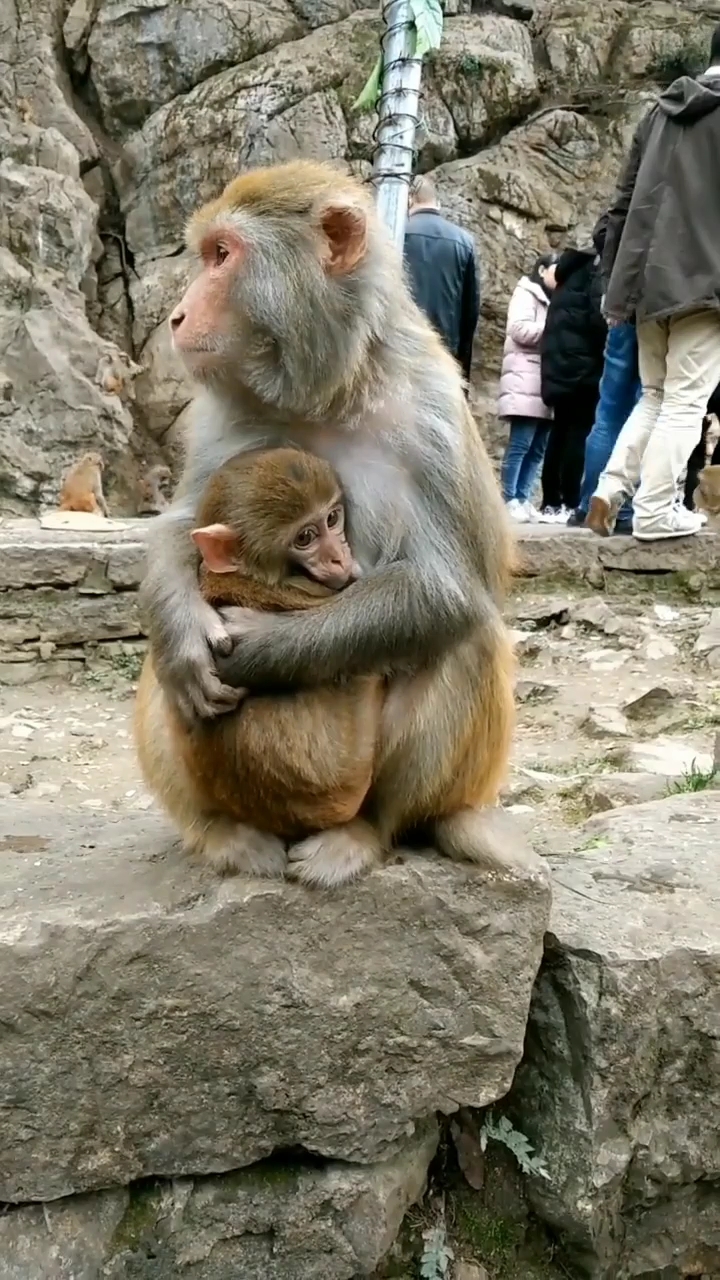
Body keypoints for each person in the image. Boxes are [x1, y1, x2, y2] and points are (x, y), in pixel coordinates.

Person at [588, 26, 720, 540]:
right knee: (687, 402)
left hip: (645, 284)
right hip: (706, 282)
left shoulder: (658, 112)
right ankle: (655, 511)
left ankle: (607, 491)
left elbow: (621, 204)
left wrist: (615, 286)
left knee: (657, 396)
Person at [538, 232, 608, 521]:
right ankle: (570, 500)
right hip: (583, 364)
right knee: (579, 431)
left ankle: (550, 502)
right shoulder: (595, 270)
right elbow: (597, 316)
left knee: (560, 430)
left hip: (558, 363)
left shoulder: (569, 271)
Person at [403, 174, 480, 385]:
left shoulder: (397, 234)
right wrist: (461, 367)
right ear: (437, 201)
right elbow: (470, 312)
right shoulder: (464, 241)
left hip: (402, 346)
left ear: (409, 199)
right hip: (444, 353)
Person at [497, 254, 558, 521]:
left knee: (538, 448)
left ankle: (523, 497)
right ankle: (508, 498)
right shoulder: (527, 293)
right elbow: (519, 330)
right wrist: (554, 329)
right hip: (525, 378)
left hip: (543, 381)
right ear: (542, 269)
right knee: (521, 443)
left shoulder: (553, 299)